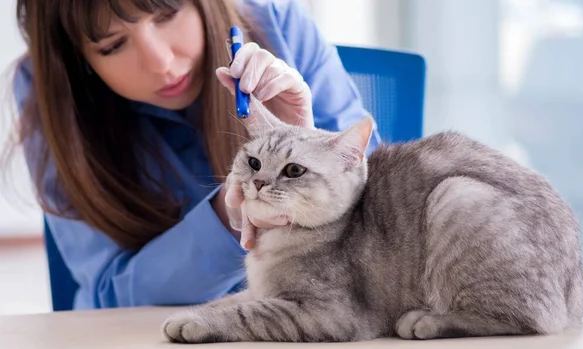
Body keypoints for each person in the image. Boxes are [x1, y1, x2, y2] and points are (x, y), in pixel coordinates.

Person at [9, 0, 381, 310]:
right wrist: (229, 213)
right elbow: (110, 294)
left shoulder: (277, 22)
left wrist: (306, 157)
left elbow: (381, 222)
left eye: (167, 14)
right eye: (112, 45)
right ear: (79, 61)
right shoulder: (50, 90)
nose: (160, 61)